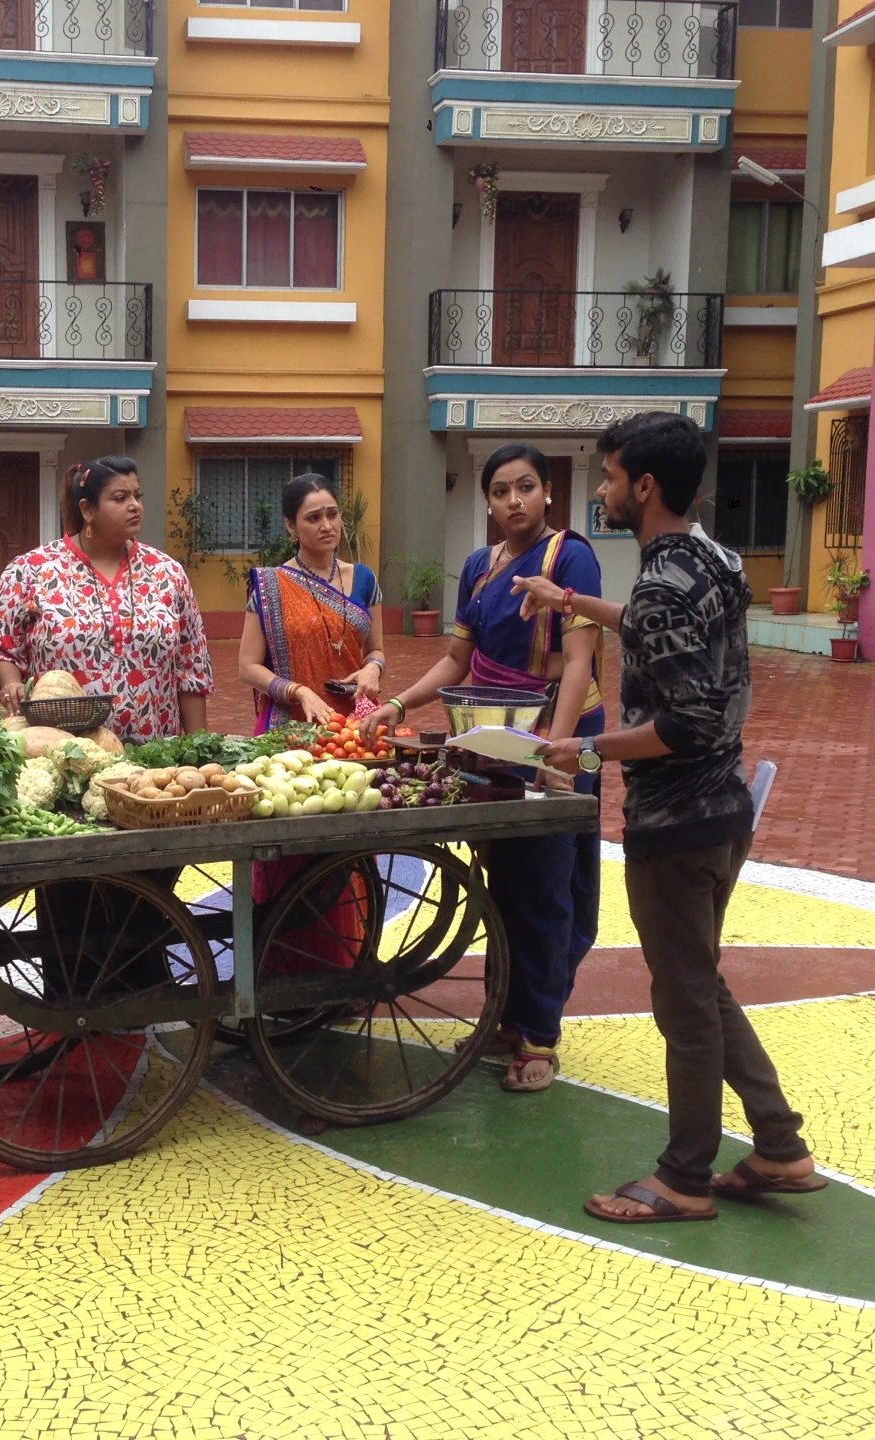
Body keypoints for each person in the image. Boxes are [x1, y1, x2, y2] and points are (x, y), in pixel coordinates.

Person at [520, 411, 823, 1224]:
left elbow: (682, 721)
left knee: (683, 1003)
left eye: (611, 478)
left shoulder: (660, 583)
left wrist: (583, 754)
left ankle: (685, 1177)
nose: (605, 491)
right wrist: (572, 597)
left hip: (678, 825)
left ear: (644, 487)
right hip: (726, 813)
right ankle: (780, 1145)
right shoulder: (712, 560)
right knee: (701, 985)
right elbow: (667, 633)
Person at [362, 443, 605, 1093]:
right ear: (488, 501)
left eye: (525, 487)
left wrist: (557, 753)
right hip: (496, 739)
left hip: (565, 732)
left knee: (550, 883)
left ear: (547, 490)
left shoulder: (569, 557)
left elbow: (580, 662)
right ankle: (508, 1012)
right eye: (500, 492)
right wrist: (396, 702)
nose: (513, 501)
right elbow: (455, 664)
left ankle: (540, 1038)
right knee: (506, 882)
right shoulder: (478, 567)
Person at [0, 456, 213, 743]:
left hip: (154, 759)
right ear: (87, 510)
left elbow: (191, 670)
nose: (135, 506)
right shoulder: (30, 571)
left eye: (137, 496)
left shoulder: (168, 573)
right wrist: (11, 683)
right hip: (64, 753)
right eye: (120, 498)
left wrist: (199, 750)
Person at [237, 474, 385, 731]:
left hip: (354, 725)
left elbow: (376, 649)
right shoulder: (271, 586)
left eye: (332, 514)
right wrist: (299, 692)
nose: (327, 525)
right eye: (314, 518)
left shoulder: (365, 579)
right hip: (289, 726)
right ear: (291, 525)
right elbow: (248, 667)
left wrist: (373, 667)